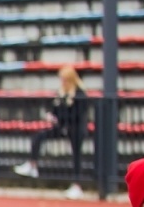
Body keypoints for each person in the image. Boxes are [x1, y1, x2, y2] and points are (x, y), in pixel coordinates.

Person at [15, 65, 89, 200]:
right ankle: (32, 164)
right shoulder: (61, 93)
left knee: (76, 156)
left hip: (76, 129)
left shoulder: (79, 93)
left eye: (64, 79)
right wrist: (52, 115)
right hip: (62, 127)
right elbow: (56, 109)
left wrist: (61, 116)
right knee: (39, 136)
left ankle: (77, 186)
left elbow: (76, 114)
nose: (62, 82)